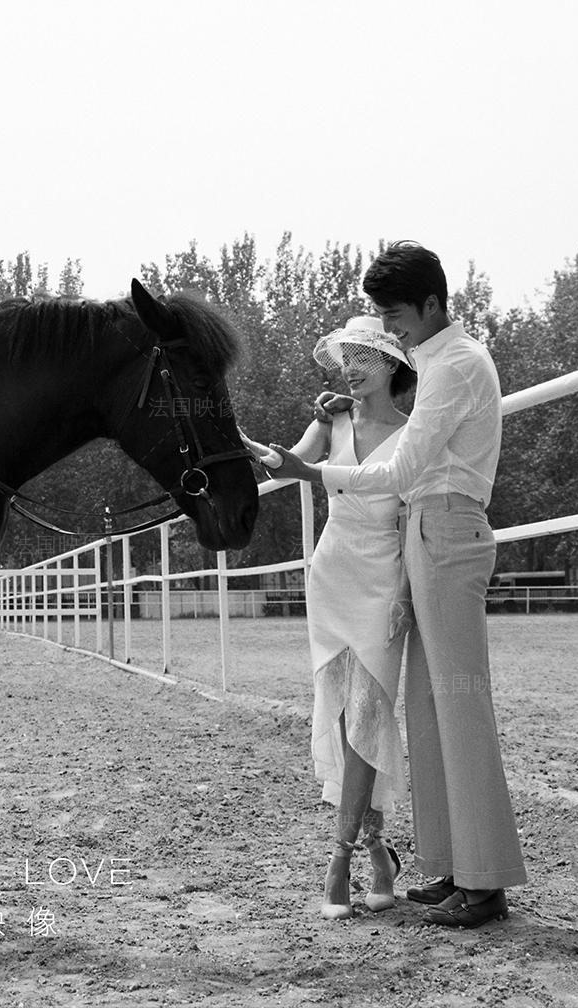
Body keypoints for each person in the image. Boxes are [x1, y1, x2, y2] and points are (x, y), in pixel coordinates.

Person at [271, 242, 526, 929]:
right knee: (430, 707)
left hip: (446, 525)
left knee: (460, 706)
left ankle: (486, 881)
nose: (389, 328)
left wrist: (312, 475)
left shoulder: (455, 364)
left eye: (395, 314)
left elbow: (404, 467)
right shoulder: (439, 363)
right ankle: (452, 868)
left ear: (432, 305)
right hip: (426, 532)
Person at [251, 317, 416, 919]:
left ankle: (341, 857)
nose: (351, 366)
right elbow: (286, 464)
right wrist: (278, 433)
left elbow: (409, 517)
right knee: (348, 715)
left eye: (364, 356)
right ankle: (375, 851)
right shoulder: (336, 419)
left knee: (372, 712)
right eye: (346, 356)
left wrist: (403, 593)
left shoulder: (413, 432)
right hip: (333, 571)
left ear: (392, 365)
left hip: (382, 579)